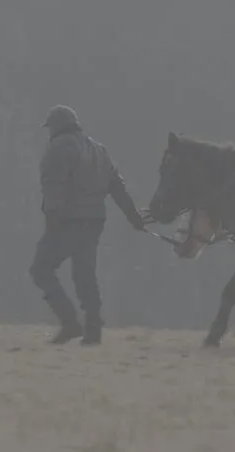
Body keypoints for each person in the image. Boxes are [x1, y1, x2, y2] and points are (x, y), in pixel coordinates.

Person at [29, 105, 147, 345]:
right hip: (94, 222)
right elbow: (117, 185)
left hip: (66, 221)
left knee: (41, 269)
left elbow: (54, 186)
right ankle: (93, 331)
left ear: (56, 126)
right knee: (85, 275)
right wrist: (132, 215)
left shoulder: (58, 148)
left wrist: (52, 219)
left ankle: (70, 322)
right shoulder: (98, 149)